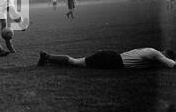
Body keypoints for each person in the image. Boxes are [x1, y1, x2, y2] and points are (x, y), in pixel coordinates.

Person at [37, 47, 176, 69]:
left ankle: (48, 59)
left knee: (76, 61)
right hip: (113, 61)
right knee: (74, 62)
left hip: (112, 56)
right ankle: (48, 57)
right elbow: (172, 65)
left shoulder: (150, 51)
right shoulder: (157, 54)